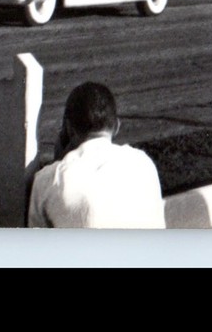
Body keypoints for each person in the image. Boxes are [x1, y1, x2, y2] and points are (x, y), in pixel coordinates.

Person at [28, 82, 165, 229]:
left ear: (68, 130)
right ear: (117, 127)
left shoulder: (48, 179)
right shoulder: (143, 164)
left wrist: (58, 162)